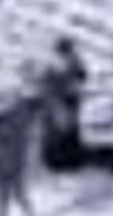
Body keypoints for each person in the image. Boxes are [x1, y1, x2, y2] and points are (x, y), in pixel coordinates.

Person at [34, 36, 89, 170]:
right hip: (57, 102)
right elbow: (45, 81)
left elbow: (81, 77)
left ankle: (67, 158)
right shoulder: (53, 64)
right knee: (57, 130)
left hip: (67, 101)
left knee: (68, 130)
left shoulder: (74, 62)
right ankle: (54, 158)